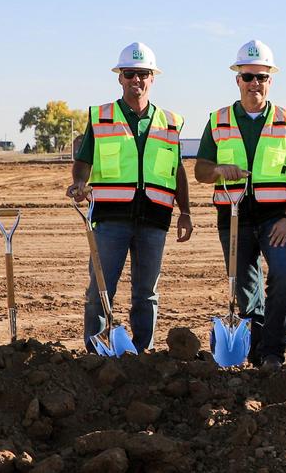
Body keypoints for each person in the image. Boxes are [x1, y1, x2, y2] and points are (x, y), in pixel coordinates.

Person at [66, 41, 192, 353]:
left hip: (155, 218)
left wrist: (185, 211)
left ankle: (141, 352)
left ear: (153, 78)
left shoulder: (170, 123)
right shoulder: (101, 118)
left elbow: (177, 171)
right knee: (100, 289)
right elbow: (83, 161)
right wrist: (80, 183)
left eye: (143, 73)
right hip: (110, 219)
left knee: (146, 292)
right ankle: (95, 350)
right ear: (120, 77)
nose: (137, 79)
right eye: (130, 73)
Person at [193, 38, 286, 368]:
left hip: (277, 216)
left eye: (261, 77)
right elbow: (200, 170)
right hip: (234, 214)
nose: (254, 83)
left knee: (283, 278)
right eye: (248, 77)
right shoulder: (218, 120)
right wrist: (218, 170)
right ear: (238, 80)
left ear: (270, 80)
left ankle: (272, 352)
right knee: (246, 289)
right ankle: (255, 350)